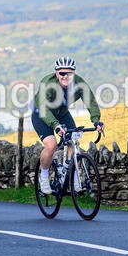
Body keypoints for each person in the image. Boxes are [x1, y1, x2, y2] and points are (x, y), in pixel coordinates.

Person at [32, 57, 104, 195]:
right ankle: (44, 177)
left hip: (62, 113)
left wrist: (96, 121)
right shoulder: (47, 84)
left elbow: (91, 102)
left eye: (69, 73)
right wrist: (56, 126)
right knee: (51, 146)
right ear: (56, 74)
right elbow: (44, 109)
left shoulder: (79, 83)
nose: (65, 76)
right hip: (42, 114)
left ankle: (73, 177)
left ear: (74, 74)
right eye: (62, 73)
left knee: (74, 142)